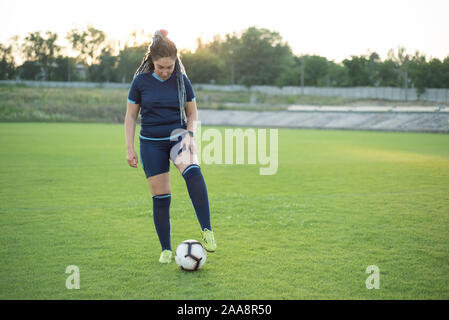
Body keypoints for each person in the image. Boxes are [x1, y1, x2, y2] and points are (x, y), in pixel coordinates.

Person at [124, 29, 216, 264]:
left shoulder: (181, 80)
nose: (165, 72)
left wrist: (190, 135)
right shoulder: (140, 82)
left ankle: (207, 230)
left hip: (178, 137)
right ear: (151, 62)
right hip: (151, 144)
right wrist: (129, 148)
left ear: (176, 62)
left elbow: (192, 112)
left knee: (194, 173)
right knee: (161, 197)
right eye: (160, 67)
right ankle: (166, 249)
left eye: (170, 67)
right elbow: (131, 116)